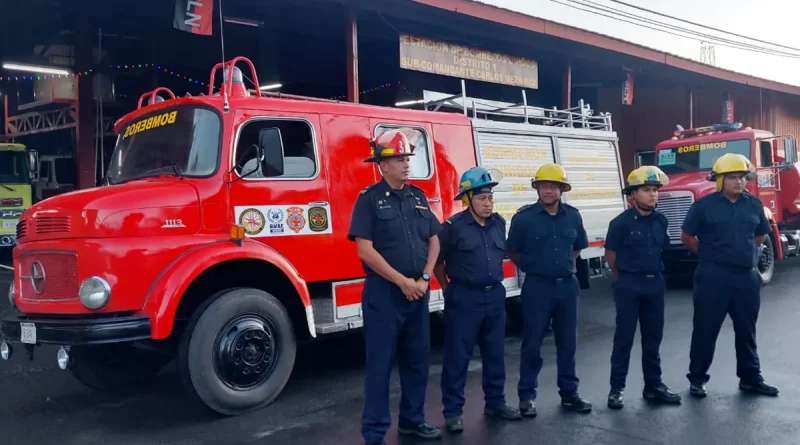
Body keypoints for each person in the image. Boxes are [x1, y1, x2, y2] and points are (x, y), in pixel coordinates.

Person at [347, 130, 443, 445]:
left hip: (418, 290)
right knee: (380, 365)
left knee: (417, 361)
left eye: (406, 158)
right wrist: (402, 282)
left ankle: (413, 422)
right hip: (385, 294)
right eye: (399, 159)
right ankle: (374, 433)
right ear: (382, 165)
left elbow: (434, 239)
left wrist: (425, 278)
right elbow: (365, 250)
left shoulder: (418, 197)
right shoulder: (369, 200)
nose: (405, 164)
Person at [680, 152, 779, 398]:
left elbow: (759, 237)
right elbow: (687, 237)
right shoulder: (703, 206)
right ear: (719, 180)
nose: (739, 182)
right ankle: (697, 379)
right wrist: (711, 256)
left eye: (742, 177)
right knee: (705, 329)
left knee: (747, 330)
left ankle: (750, 378)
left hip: (746, 278)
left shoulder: (754, 204)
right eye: (733, 177)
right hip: (712, 278)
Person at [434, 167, 522, 433]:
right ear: (468, 198)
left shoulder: (499, 223)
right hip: (463, 297)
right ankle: (453, 411)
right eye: (482, 197)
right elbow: (438, 263)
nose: (488, 202)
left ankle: (496, 403)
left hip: (494, 296)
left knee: (495, 354)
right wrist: (448, 289)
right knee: (457, 357)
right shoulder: (452, 227)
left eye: (490, 197)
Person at [507, 163, 592, 416]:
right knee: (532, 343)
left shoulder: (573, 216)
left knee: (568, 343)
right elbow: (513, 251)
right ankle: (526, 397)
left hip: (567, 286)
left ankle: (569, 394)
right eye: (543, 186)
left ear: (561, 189)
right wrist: (537, 268)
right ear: (537, 189)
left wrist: (561, 267)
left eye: (553, 186)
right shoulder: (523, 219)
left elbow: (577, 248)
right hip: (537, 287)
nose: (547, 191)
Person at [604, 166, 682, 409]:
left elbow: (662, 249)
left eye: (655, 190)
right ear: (633, 195)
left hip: (655, 283)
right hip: (629, 284)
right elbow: (611, 256)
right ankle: (616, 389)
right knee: (624, 340)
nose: (653, 195)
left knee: (653, 339)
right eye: (647, 190)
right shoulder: (620, 223)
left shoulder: (661, 220)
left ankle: (653, 386)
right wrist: (626, 277)